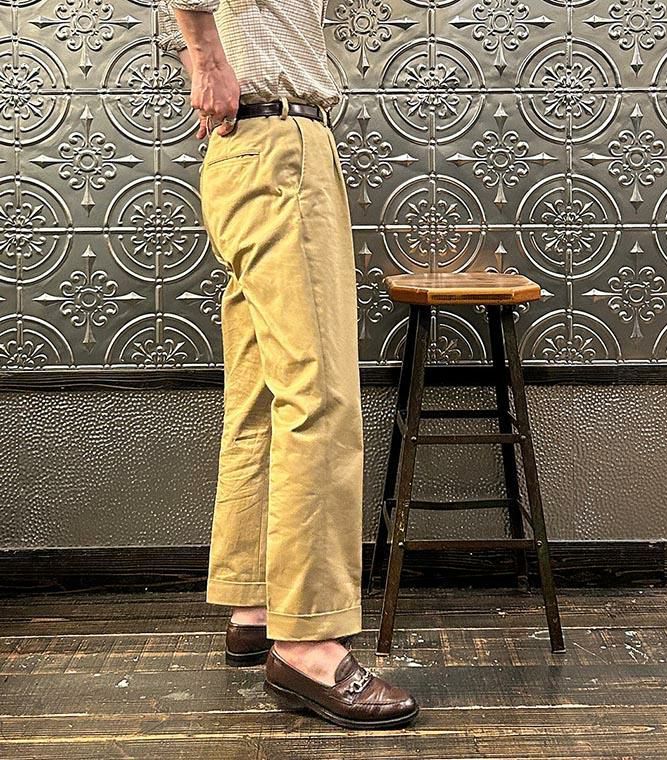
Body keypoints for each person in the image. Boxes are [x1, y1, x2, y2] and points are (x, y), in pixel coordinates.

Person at [157, 0, 419, 730]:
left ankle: (256, 602)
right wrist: (205, 57)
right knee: (318, 396)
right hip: (279, 151)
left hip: (250, 154)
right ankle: (307, 643)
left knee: (266, 395)